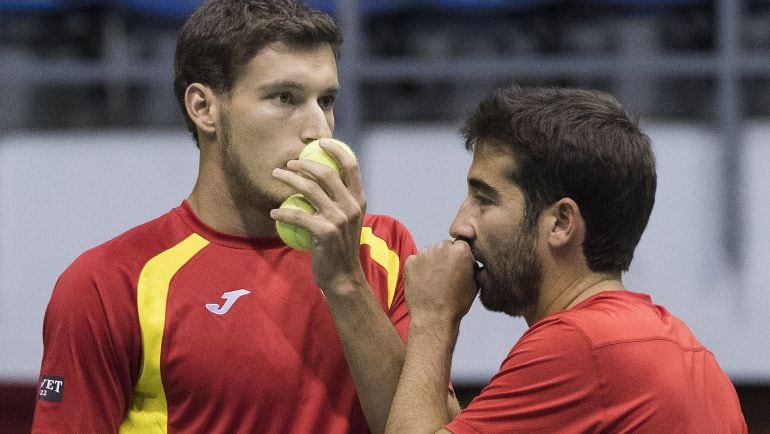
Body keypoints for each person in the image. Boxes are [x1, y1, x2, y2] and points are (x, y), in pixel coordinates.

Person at [32, 1, 447, 432]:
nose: (319, 130)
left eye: (325, 100)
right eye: (284, 97)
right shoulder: (108, 283)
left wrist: (346, 282)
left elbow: (432, 428)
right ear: (204, 107)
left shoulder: (384, 248)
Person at [385, 86, 748, 433]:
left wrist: (433, 318)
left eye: (485, 200)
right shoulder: (686, 351)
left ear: (561, 223)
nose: (460, 226)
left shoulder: (579, 347)